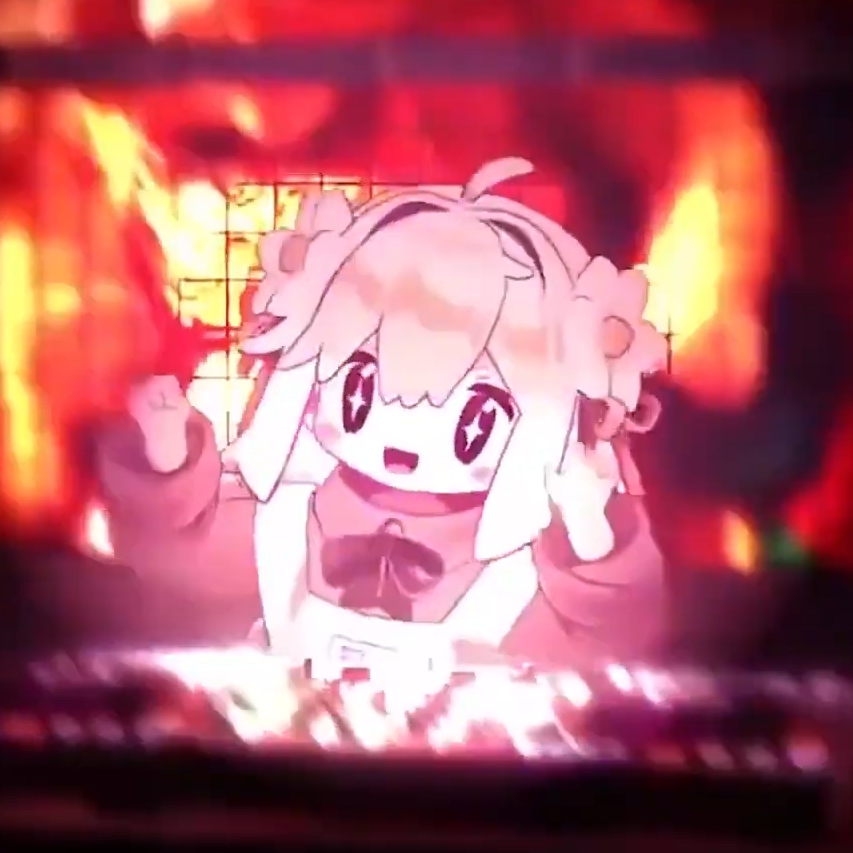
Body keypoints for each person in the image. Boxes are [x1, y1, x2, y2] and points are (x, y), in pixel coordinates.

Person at [96, 157, 667, 674]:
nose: (405, 437)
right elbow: (181, 556)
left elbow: (614, 635)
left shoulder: (518, 562)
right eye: (361, 389)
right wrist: (168, 455)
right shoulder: (284, 519)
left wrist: (589, 526)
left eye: (475, 419)